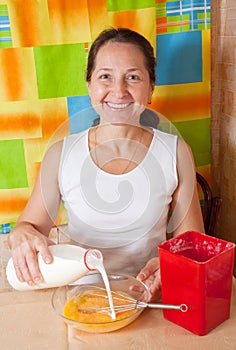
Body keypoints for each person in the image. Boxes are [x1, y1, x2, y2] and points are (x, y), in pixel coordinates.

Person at [8, 28, 204, 302]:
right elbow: (28, 226)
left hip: (152, 296)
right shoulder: (60, 155)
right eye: (105, 77)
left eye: (133, 77)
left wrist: (173, 263)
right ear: (90, 86)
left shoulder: (175, 152)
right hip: (82, 298)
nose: (119, 91)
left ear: (151, 87)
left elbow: (192, 239)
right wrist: (21, 236)